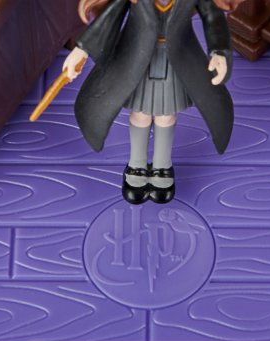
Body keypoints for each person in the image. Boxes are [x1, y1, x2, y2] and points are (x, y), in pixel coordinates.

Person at [63, 0, 245, 204]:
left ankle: (162, 165)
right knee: (141, 114)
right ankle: (136, 164)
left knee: (166, 115)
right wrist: (82, 49)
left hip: (176, 58)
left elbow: (212, 16)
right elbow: (110, 18)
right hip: (137, 58)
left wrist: (219, 51)